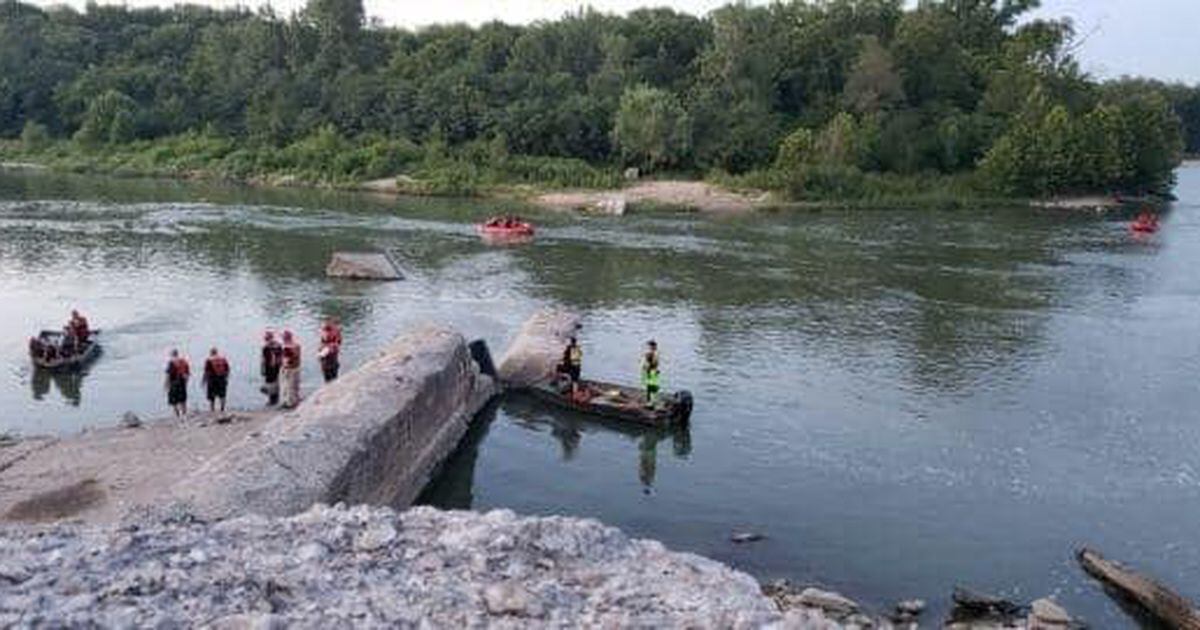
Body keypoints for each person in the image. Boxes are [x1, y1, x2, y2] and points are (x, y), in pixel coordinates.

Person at [203, 347, 230, 413]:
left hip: (212, 379)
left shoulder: (209, 360)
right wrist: (226, 377)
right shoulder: (223, 359)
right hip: (222, 378)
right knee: (222, 394)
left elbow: (207, 371)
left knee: (212, 395)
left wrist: (204, 380)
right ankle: (222, 408)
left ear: (211, 353)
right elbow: (228, 369)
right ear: (217, 352)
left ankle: (212, 409)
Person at [165, 349, 190, 418]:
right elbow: (187, 373)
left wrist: (166, 385)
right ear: (177, 353)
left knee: (173, 400)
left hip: (174, 383)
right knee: (183, 399)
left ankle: (177, 415)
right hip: (182, 382)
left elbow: (168, 375)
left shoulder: (171, 362)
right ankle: (184, 414)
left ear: (172, 354)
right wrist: (186, 383)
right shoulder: (183, 361)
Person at [279, 330, 302, 408]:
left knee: (290, 386)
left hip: (291, 369)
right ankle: (287, 401)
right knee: (286, 386)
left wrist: (289, 354)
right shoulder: (285, 346)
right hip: (288, 368)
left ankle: (291, 403)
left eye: (284, 337)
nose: (283, 339)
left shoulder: (293, 346)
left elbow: (293, 357)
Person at [260, 331, 283, 406]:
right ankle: (275, 399)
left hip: (269, 367)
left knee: (271, 382)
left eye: (266, 338)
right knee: (275, 382)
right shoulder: (278, 345)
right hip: (276, 366)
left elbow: (263, 360)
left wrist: (262, 370)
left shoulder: (266, 347)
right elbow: (281, 356)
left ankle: (272, 400)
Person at [318, 319, 341, 383]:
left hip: (330, 363)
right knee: (330, 378)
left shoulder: (333, 337)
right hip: (328, 362)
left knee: (331, 378)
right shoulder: (330, 335)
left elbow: (337, 343)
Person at [641, 340, 661, 407]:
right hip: (653, 371)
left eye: (649, 346)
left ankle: (651, 403)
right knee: (652, 387)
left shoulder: (652, 353)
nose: (649, 347)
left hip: (652, 372)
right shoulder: (655, 353)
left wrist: (646, 366)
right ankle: (652, 402)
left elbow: (652, 363)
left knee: (651, 387)